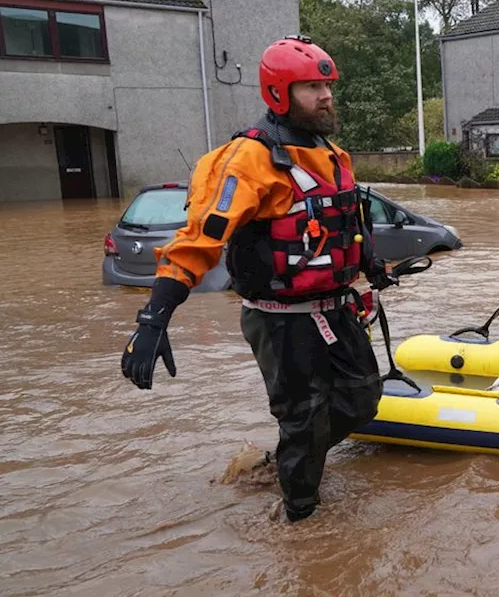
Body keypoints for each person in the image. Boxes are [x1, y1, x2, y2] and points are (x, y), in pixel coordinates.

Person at [119, 35, 397, 523]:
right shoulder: (245, 160)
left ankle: (292, 456)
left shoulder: (334, 155)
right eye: (311, 87)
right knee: (304, 417)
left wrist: (371, 269)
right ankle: (300, 521)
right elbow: (197, 242)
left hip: (334, 307)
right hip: (280, 318)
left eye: (327, 85)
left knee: (362, 399)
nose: (326, 96)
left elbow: (348, 224)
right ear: (277, 94)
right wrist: (153, 320)